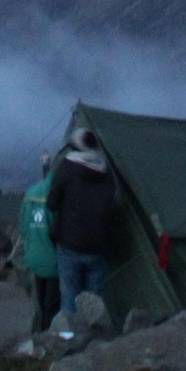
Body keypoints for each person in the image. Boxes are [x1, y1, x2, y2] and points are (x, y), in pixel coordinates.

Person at [43, 127, 121, 334]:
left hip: (69, 245)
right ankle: (94, 342)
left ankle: (68, 342)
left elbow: (52, 203)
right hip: (98, 246)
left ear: (74, 145)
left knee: (69, 297)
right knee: (94, 301)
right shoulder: (106, 170)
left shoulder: (67, 167)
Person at [18, 153, 61, 332]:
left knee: (41, 299)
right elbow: (58, 229)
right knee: (53, 304)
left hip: (33, 256)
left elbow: (22, 226)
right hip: (52, 260)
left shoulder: (31, 193)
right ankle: (50, 337)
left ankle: (41, 331)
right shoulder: (58, 194)